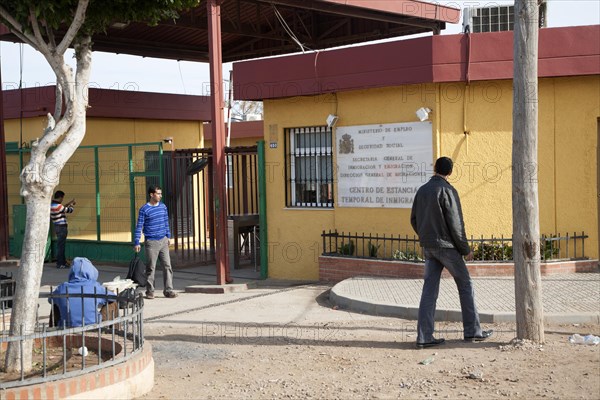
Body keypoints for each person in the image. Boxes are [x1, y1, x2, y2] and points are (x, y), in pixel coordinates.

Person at [410, 157, 493, 348]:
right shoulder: (448, 190)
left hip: (429, 247)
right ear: (450, 172)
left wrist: (426, 236)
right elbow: (456, 224)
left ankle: (424, 337)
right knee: (465, 284)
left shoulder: (422, 190)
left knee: (429, 291)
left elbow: (414, 219)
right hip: (447, 247)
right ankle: (473, 331)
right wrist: (465, 249)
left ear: (434, 169)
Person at [133, 185, 177, 299]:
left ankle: (168, 290)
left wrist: (168, 236)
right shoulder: (144, 209)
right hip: (151, 242)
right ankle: (150, 291)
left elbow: (166, 222)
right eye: (158, 194)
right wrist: (137, 241)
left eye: (161, 194)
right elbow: (139, 226)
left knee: (167, 266)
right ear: (151, 195)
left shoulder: (163, 207)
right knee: (151, 267)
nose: (160, 196)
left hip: (163, 240)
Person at [49, 257, 115, 327]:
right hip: (93, 326)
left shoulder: (62, 287)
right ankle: (114, 332)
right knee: (113, 303)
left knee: (55, 302)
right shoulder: (95, 286)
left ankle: (52, 333)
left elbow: (50, 300)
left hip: (66, 327)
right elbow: (113, 297)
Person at [51, 190, 75, 269]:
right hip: (62, 227)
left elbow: (62, 208)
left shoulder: (52, 205)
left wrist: (68, 203)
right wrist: (72, 205)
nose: (62, 200)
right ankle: (60, 263)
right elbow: (70, 210)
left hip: (57, 226)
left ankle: (63, 262)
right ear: (61, 197)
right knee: (61, 246)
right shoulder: (59, 206)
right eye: (62, 198)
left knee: (60, 245)